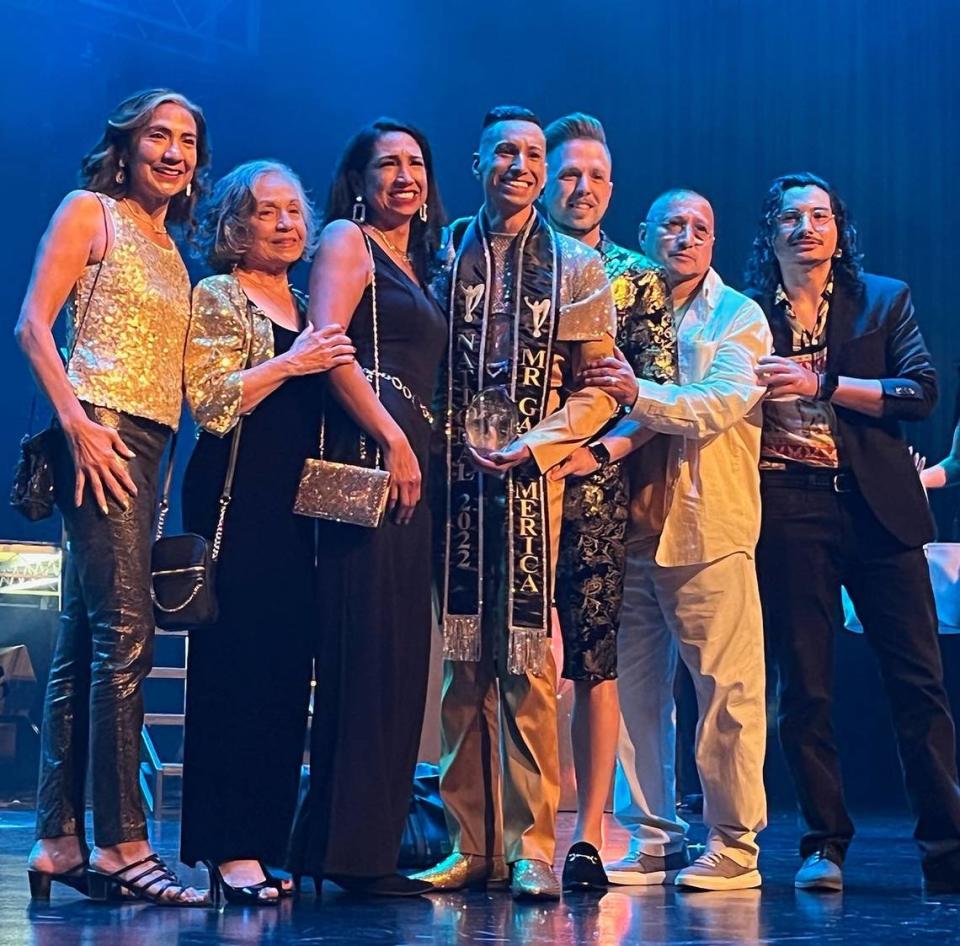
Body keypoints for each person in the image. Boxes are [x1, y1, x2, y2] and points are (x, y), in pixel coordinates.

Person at [413, 106, 619, 900]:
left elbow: (604, 388)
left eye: (535, 153)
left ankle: (532, 843)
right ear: (478, 161)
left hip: (535, 482)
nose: (523, 165)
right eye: (507, 150)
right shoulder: (442, 253)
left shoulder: (575, 264)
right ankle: (470, 844)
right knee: (463, 664)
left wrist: (537, 444)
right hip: (456, 482)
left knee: (529, 665)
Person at [16, 89, 210, 905]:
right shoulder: (89, 210)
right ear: (124, 148)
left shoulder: (173, 249)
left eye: (188, 141)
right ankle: (125, 843)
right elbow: (32, 322)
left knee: (84, 642)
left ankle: (59, 841)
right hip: (100, 429)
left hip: (147, 445)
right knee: (127, 641)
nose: (173, 151)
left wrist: (158, 476)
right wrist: (79, 427)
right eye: (157, 137)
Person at [746, 172, 960, 893]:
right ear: (769, 230)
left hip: (880, 509)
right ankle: (823, 843)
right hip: (788, 509)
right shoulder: (744, 314)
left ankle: (946, 847)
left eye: (820, 216)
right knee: (805, 685)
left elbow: (921, 392)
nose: (807, 228)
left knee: (918, 684)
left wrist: (824, 385)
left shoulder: (882, 298)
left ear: (839, 229)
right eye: (791, 217)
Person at [553, 189, 771, 891]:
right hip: (629, 526)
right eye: (672, 225)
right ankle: (654, 837)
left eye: (700, 227)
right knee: (637, 695)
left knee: (725, 690)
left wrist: (633, 390)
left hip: (707, 525)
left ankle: (735, 847)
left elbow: (718, 403)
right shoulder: (614, 303)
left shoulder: (738, 316)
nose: (685, 236)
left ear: (715, 242)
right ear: (644, 235)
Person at [179, 161, 354, 905]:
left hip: (298, 510)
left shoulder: (306, 296)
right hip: (236, 500)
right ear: (236, 226)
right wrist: (294, 360)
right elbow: (212, 403)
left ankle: (266, 835)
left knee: (286, 680)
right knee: (234, 674)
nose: (286, 224)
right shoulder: (221, 292)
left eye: (294, 210)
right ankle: (227, 847)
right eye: (268, 212)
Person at [286, 119, 447, 897]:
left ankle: (357, 846)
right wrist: (392, 439)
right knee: (363, 649)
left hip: (410, 465)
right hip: (367, 458)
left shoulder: (417, 260)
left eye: (416, 163)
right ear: (360, 177)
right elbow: (328, 343)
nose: (406, 176)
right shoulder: (347, 239)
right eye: (389, 164)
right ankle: (349, 853)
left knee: (395, 655)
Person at [539, 112, 676, 890]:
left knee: (593, 655)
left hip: (592, 486)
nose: (581, 187)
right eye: (568, 173)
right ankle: (504, 827)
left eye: (594, 175)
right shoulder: (501, 256)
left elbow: (645, 395)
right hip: (511, 479)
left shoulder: (635, 274)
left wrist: (593, 453)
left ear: (612, 188)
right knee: (508, 654)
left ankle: (589, 830)